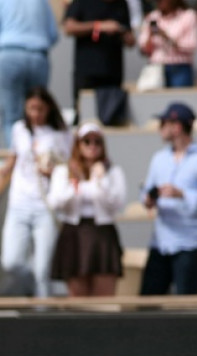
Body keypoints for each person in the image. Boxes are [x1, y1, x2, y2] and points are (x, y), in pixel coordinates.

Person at [140, 102, 197, 295]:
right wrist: (148, 199)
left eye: (163, 123)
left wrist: (183, 194)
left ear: (176, 127)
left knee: (185, 303)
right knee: (147, 302)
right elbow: (147, 191)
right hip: (160, 242)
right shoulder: (158, 158)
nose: (159, 128)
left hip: (190, 243)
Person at [0, 87, 72, 297]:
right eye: (31, 108)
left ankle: (42, 314)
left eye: (39, 109)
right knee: (10, 261)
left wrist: (52, 170)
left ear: (48, 108)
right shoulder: (19, 129)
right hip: (19, 203)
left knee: (43, 269)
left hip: (45, 205)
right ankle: (31, 282)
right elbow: (14, 161)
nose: (35, 114)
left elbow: (68, 166)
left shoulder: (61, 134)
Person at [48, 123, 126, 297]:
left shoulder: (113, 172)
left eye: (97, 142)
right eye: (87, 141)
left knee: (104, 297)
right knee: (77, 297)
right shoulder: (63, 171)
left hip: (102, 234)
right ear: (78, 144)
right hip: (74, 234)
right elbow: (55, 202)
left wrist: (101, 179)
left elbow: (117, 204)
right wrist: (75, 184)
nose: (92, 146)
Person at [63, 0, 136, 120]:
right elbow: (69, 27)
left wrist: (120, 31)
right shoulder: (83, 2)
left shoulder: (121, 4)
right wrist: (98, 26)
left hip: (113, 73)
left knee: (112, 116)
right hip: (87, 72)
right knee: (84, 116)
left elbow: (131, 41)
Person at [0, 1, 58, 148]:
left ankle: (16, 159)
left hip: (9, 55)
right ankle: (37, 156)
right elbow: (53, 35)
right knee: (38, 112)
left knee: (12, 117)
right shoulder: (42, 2)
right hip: (38, 56)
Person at [137, 0, 197, 88]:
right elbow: (144, 49)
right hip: (155, 68)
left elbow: (191, 45)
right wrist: (150, 36)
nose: (159, 2)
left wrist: (165, 37)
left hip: (179, 68)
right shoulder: (152, 17)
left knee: (179, 100)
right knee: (154, 101)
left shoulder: (188, 16)